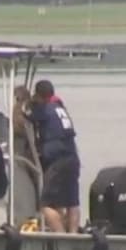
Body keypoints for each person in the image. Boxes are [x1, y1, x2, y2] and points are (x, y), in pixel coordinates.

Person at [27, 79, 81, 233]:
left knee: (46, 205)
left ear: (38, 95)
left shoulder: (45, 109)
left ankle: (61, 236)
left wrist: (28, 102)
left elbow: (27, 115)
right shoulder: (59, 107)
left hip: (58, 161)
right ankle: (73, 235)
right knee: (72, 202)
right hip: (73, 158)